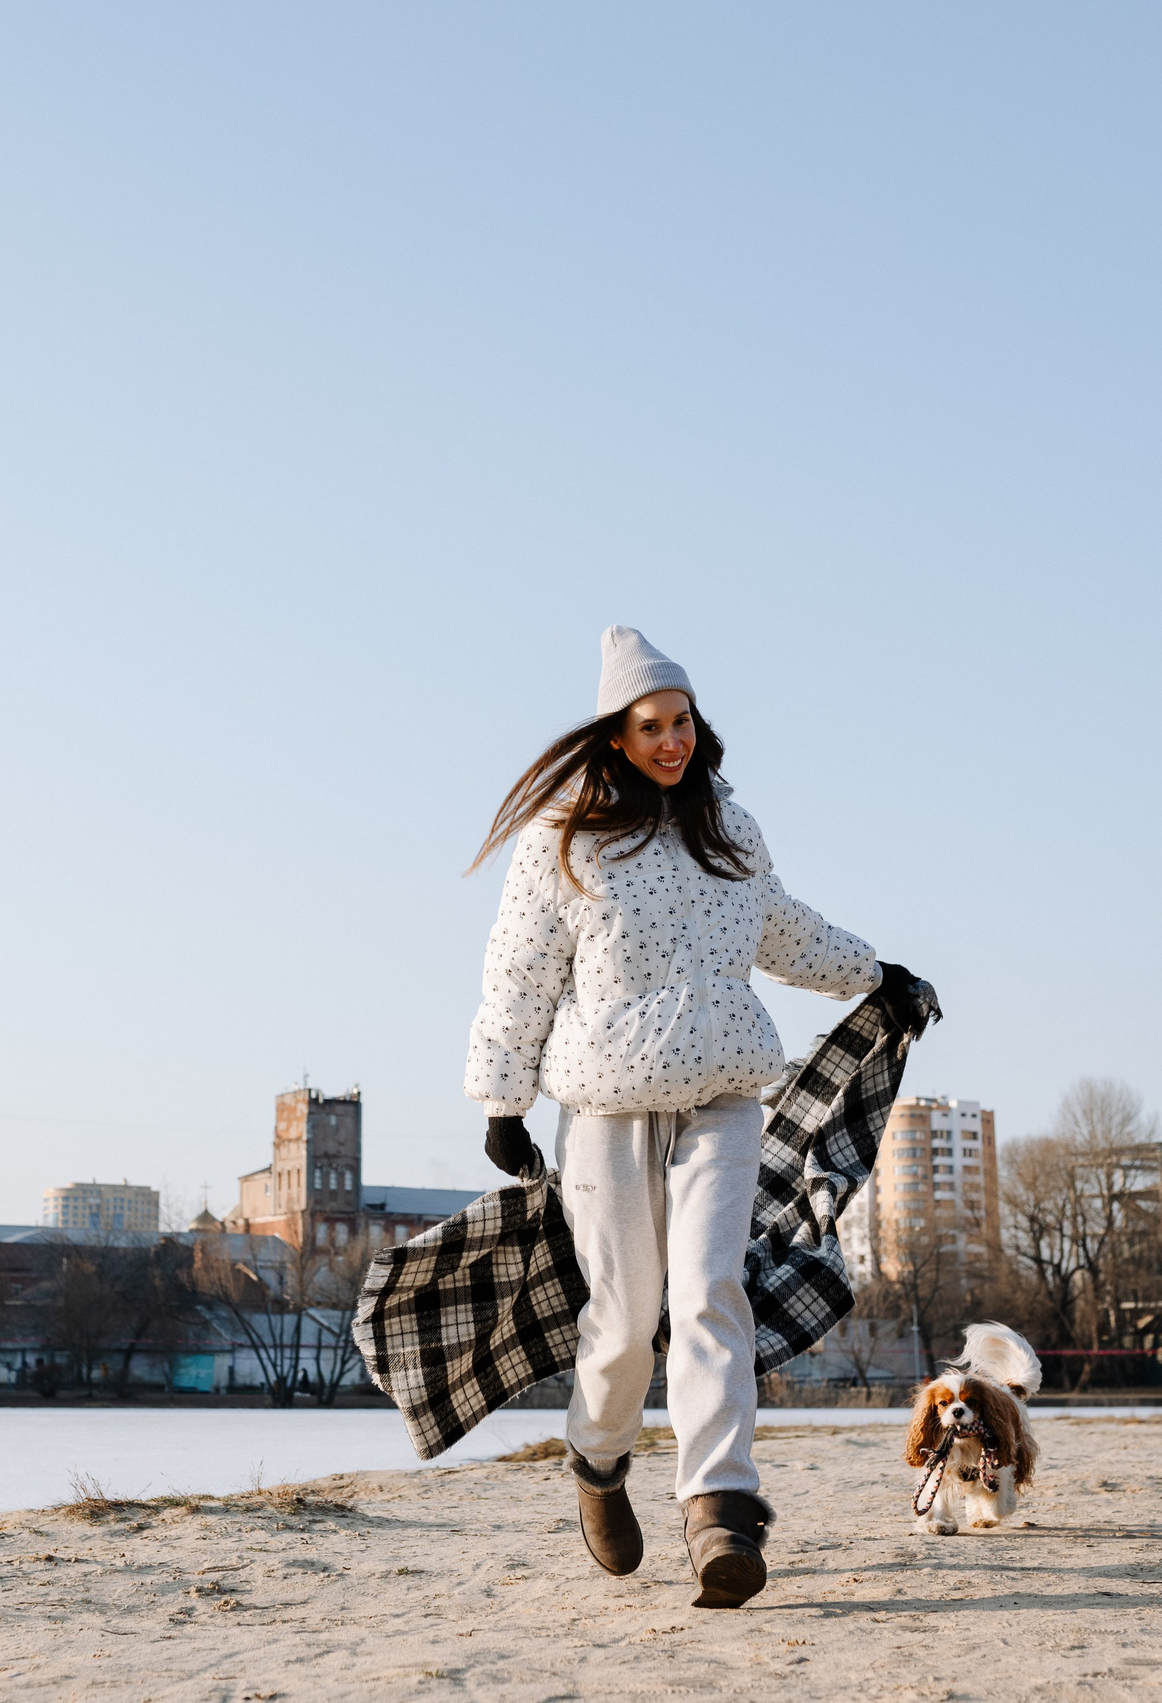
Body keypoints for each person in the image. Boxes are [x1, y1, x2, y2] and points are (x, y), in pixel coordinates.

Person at [464, 626, 892, 1609]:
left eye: (682, 719)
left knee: (709, 1290)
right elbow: (519, 974)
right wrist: (501, 1098)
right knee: (620, 1320)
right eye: (650, 725)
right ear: (615, 736)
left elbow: (783, 928)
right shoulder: (564, 840)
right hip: (607, 1103)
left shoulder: (729, 832)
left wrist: (877, 973)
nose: (671, 740)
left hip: (723, 1095)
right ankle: (598, 1461)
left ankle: (718, 1510)